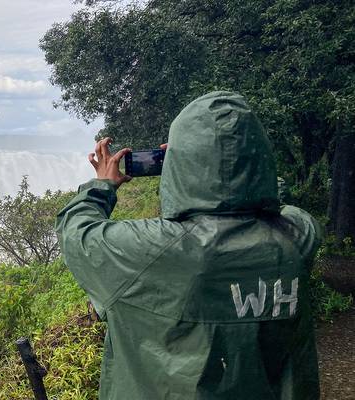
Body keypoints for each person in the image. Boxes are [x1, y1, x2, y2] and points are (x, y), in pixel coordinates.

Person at [55, 91, 321, 399]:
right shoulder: (298, 237)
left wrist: (102, 184)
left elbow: (76, 232)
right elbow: (281, 205)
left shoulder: (153, 250)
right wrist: (237, 170)